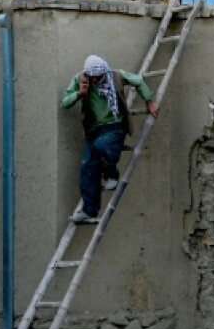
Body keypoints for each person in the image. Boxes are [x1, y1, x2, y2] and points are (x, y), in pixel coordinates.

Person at [61, 55, 157, 224]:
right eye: (93, 77)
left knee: (101, 146)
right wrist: (79, 93)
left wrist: (149, 101)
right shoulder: (81, 79)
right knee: (87, 168)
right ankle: (89, 211)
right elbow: (65, 102)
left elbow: (138, 81)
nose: (96, 80)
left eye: (99, 76)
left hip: (114, 125)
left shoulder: (116, 76)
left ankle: (112, 173)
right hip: (93, 129)